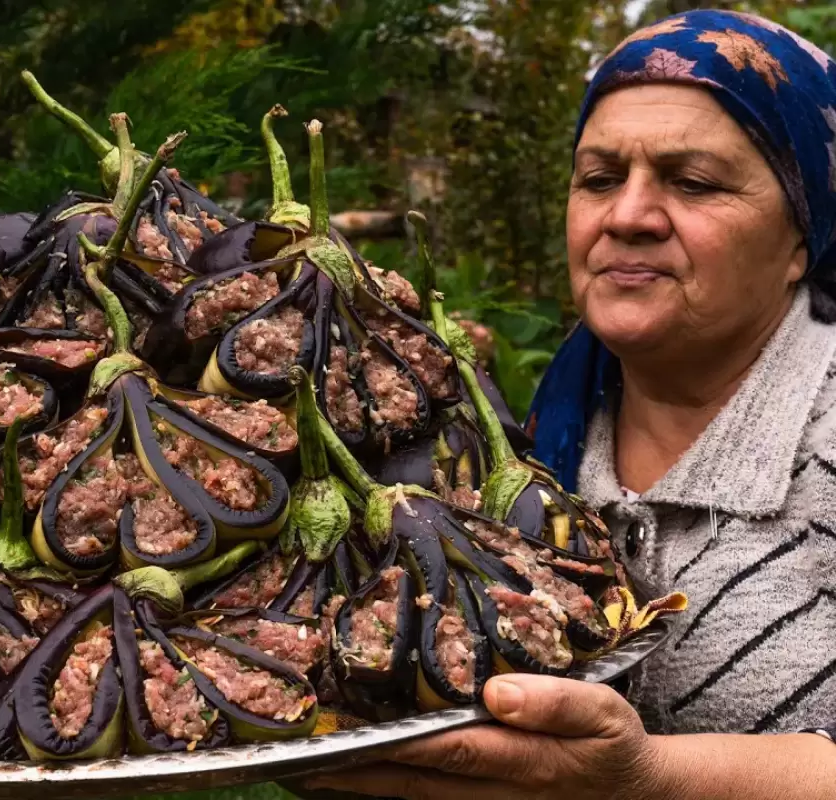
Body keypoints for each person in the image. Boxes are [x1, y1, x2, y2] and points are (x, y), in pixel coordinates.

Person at [307, 9, 836, 799]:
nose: (627, 216)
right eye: (598, 178)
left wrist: (648, 779)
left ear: (804, 235)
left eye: (693, 183)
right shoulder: (525, 443)